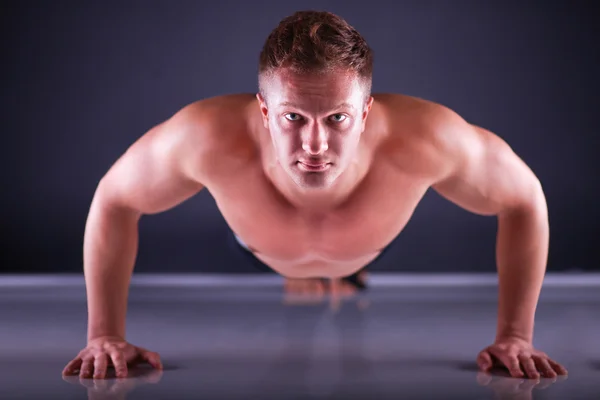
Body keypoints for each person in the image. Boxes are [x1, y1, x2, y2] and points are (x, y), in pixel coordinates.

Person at [62, 10, 568, 381]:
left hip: (367, 241)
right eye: (293, 117)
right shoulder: (203, 136)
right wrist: (103, 332)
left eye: (338, 118)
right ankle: (315, 275)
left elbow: (523, 197)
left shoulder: (428, 138)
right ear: (264, 110)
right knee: (299, 266)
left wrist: (515, 334)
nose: (315, 145)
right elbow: (114, 197)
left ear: (366, 112)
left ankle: (347, 272)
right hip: (261, 247)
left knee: (344, 266)